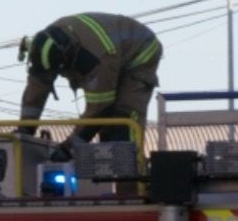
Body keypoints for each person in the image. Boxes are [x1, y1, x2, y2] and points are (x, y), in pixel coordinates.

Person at [18, 13, 162, 151]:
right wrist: (25, 128)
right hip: (112, 45)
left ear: (67, 60)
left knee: (121, 119)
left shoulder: (96, 60)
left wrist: (70, 147)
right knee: (105, 121)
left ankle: (127, 167)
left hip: (140, 51)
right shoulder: (41, 46)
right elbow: (37, 88)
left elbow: (99, 108)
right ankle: (109, 161)